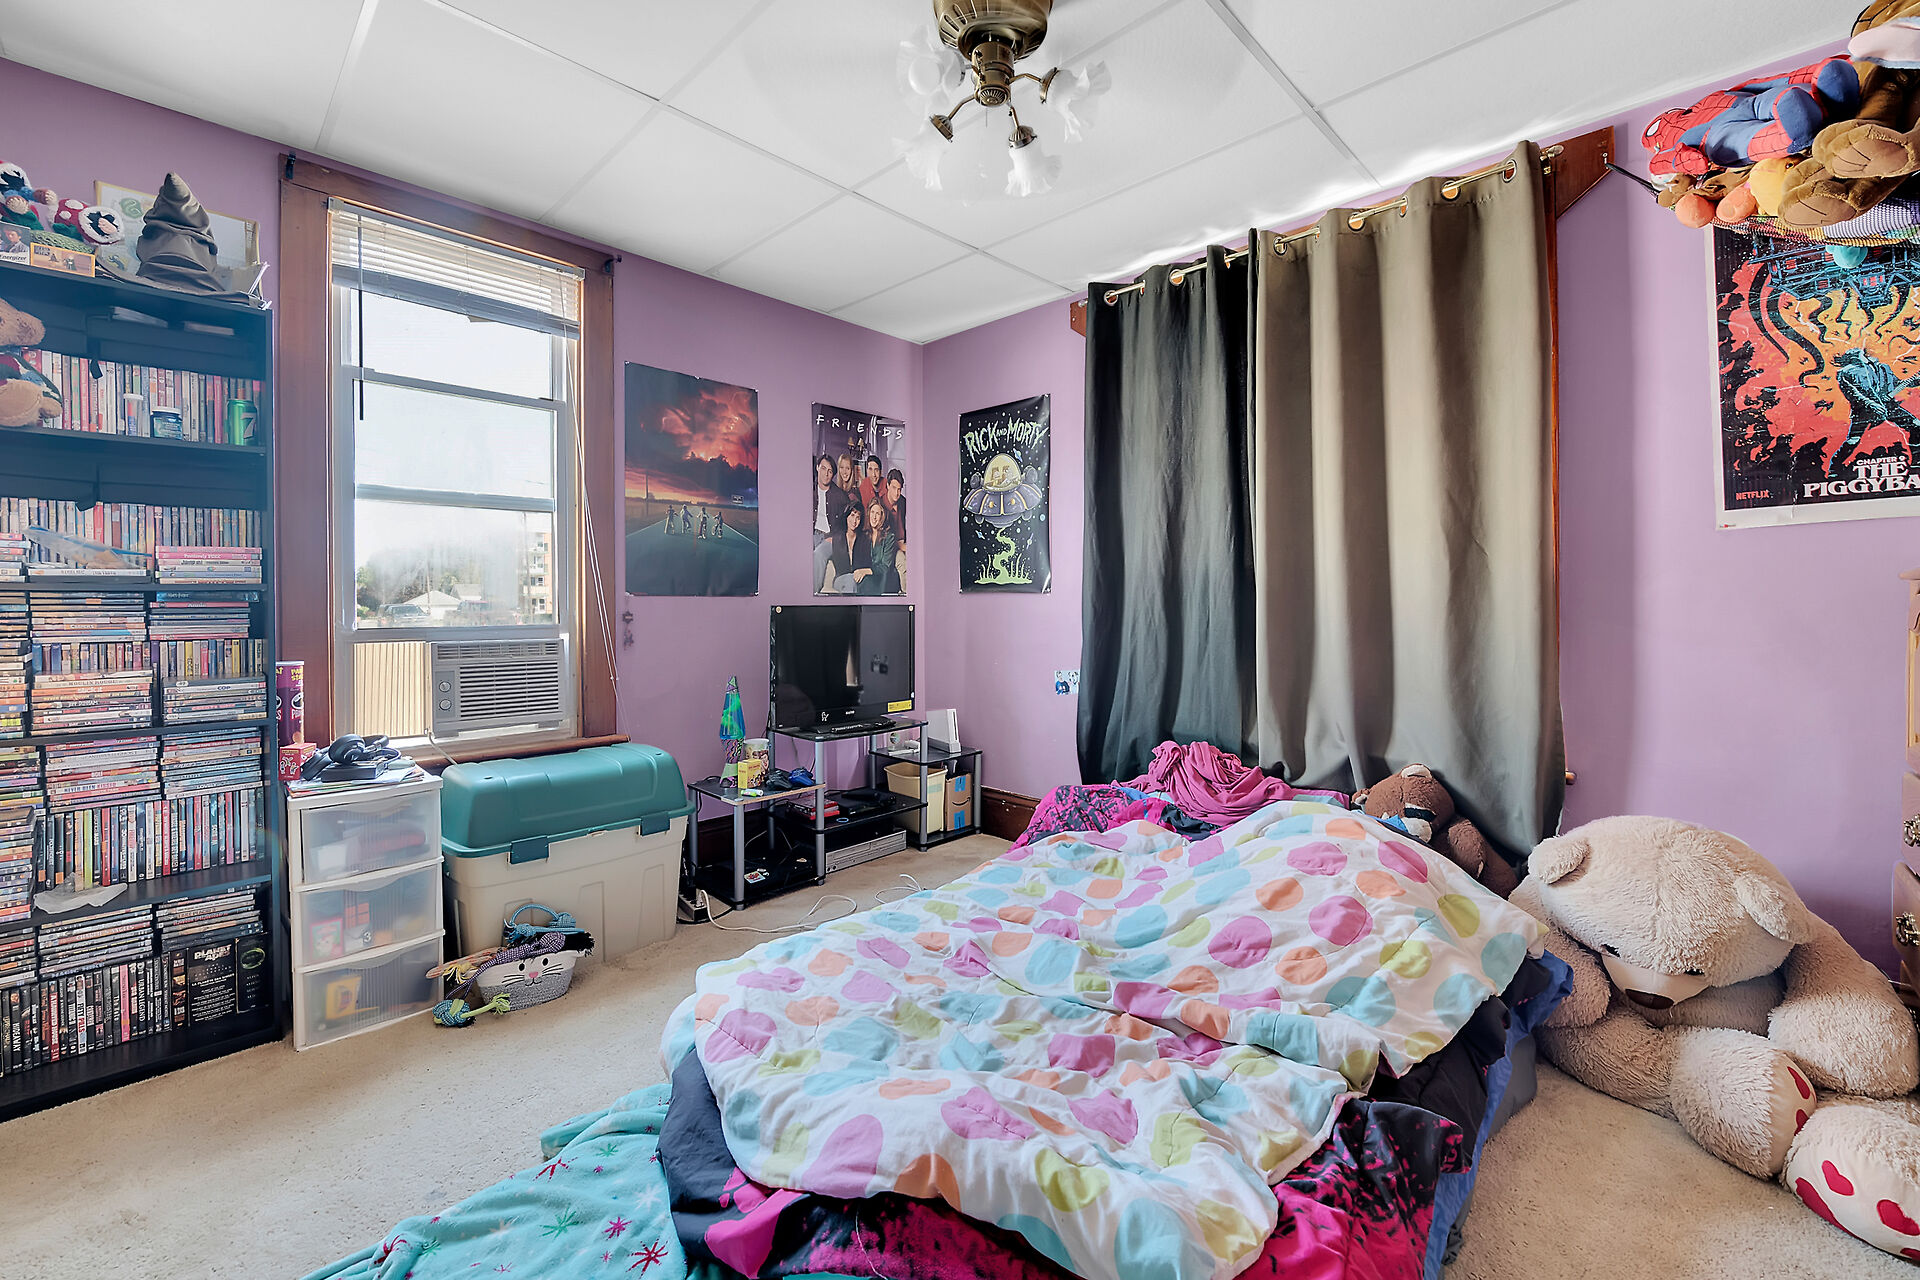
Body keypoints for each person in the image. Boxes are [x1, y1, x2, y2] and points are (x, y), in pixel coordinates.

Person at [823, 502, 871, 594]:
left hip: (859, 579)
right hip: (841, 579)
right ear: (846, 517)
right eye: (852, 515)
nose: (854, 521)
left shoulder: (864, 539)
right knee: (850, 581)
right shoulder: (837, 538)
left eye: (858, 518)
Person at [861, 500, 896, 595]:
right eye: (872, 512)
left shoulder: (889, 537)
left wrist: (866, 571)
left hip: (883, 578)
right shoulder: (864, 535)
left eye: (877, 514)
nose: (874, 517)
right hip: (867, 577)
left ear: (882, 517)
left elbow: (885, 567)